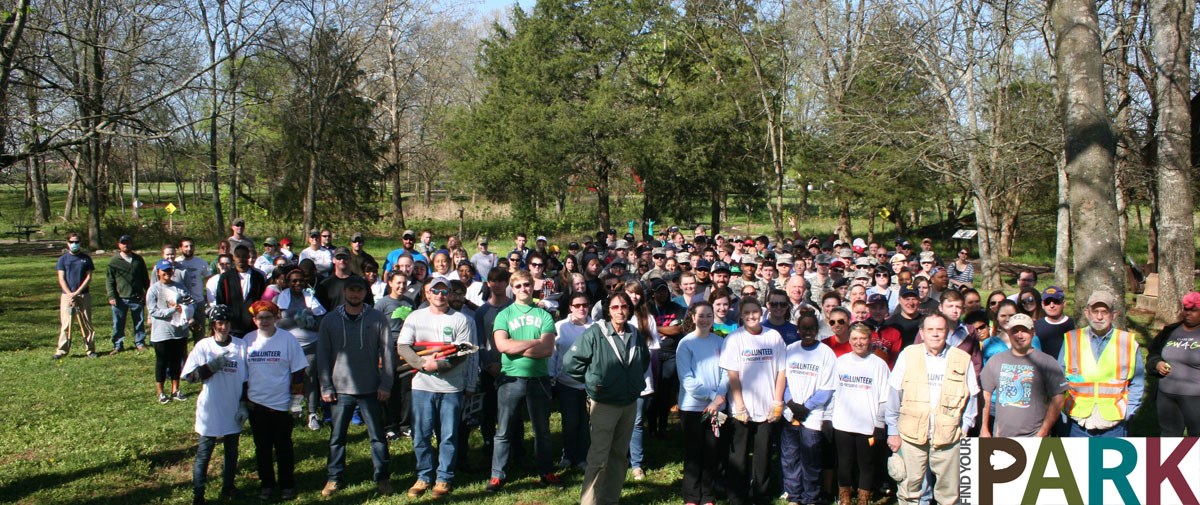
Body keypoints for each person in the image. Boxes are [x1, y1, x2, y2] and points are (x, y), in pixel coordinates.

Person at [564, 291, 651, 505]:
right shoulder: (596, 332)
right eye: (615, 307)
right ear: (608, 311)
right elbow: (570, 362)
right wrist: (594, 382)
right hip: (604, 404)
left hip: (629, 402)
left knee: (620, 455)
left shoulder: (635, 333)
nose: (620, 311)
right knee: (598, 457)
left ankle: (610, 499)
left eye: (624, 307)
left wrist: (631, 383)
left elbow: (644, 361)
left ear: (630, 310)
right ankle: (590, 502)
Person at [396, 276, 478, 499]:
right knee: (421, 434)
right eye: (436, 291)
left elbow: (462, 353)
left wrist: (439, 365)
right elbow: (403, 346)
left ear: (450, 294)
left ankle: (444, 478)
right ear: (428, 293)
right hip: (422, 386)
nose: (440, 295)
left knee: (448, 435)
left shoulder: (461, 320)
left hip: (451, 388)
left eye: (444, 292)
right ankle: (423, 476)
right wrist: (423, 364)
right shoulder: (415, 317)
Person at [885, 312, 979, 505]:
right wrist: (892, 431)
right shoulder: (908, 355)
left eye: (940, 329)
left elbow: (972, 397)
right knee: (909, 491)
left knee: (949, 495)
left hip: (949, 437)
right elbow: (894, 395)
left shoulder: (962, 358)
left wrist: (965, 428)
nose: (935, 334)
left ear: (947, 332)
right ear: (922, 332)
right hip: (911, 435)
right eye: (930, 330)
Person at [317, 277, 395, 497]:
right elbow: (322, 355)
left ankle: (382, 478)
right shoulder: (330, 320)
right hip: (340, 390)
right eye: (351, 290)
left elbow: (388, 353)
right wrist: (326, 386)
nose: (355, 295)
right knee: (337, 438)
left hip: (371, 388)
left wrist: (386, 383)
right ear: (344, 291)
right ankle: (334, 478)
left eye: (359, 291)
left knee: (378, 437)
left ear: (365, 292)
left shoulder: (377, 318)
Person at [487, 270, 562, 492]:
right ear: (512, 288)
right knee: (504, 430)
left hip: (538, 379)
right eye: (518, 286)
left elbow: (547, 349)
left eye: (527, 285)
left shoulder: (544, 316)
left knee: (542, 430)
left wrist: (515, 346)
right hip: (510, 378)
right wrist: (532, 341)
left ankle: (546, 472)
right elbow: (502, 346)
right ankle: (497, 475)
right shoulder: (504, 314)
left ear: (533, 286)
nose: (523, 289)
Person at [721, 297, 787, 505]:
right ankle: (737, 496)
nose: (751, 316)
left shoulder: (773, 336)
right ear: (741, 315)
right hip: (742, 408)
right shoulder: (734, 339)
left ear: (762, 313)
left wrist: (777, 402)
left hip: (767, 407)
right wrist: (739, 405)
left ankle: (760, 494)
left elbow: (781, 371)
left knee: (764, 454)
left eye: (755, 312)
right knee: (738, 455)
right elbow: (733, 375)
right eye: (747, 312)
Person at [182, 305, 248, 504]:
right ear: (213, 325)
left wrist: (244, 404)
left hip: (233, 406)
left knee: (232, 451)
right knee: (204, 453)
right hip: (211, 408)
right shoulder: (204, 346)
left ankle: (228, 487)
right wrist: (210, 367)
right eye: (220, 323)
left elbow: (246, 378)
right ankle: (198, 493)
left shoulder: (240, 345)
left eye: (227, 323)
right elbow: (189, 377)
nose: (224, 327)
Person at [243, 300, 308, 501]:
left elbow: (298, 371)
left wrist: (296, 401)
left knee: (284, 447)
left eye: (268, 317)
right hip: (257, 403)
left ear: (276, 318)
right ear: (254, 320)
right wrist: (244, 401)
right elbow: (242, 375)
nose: (264, 321)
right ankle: (267, 484)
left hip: (281, 403)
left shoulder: (287, 339)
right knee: (262, 448)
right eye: (260, 318)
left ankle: (287, 484)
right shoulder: (247, 340)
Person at [1059, 290, 1144, 438]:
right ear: (1087, 313)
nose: (1099, 316)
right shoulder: (1071, 339)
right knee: (1078, 462)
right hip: (1078, 422)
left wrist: (1129, 412)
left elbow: (1137, 382)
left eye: (1104, 312)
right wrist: (1061, 409)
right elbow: (1058, 379)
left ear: (1114, 315)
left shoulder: (1127, 342)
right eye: (1095, 311)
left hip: (1114, 424)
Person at [675, 301, 728, 505]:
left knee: (711, 451)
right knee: (694, 452)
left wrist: (718, 398)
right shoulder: (686, 343)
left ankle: (707, 496)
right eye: (701, 315)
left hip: (716, 408)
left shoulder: (720, 343)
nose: (705, 319)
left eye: (709, 315)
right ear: (692, 317)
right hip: (692, 408)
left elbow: (726, 372)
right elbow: (687, 379)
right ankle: (691, 496)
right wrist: (712, 396)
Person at [980, 313, 1067, 438]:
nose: (1019, 335)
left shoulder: (1047, 362)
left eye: (1024, 331)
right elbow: (985, 396)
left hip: (1034, 437)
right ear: (1008, 333)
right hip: (1000, 436)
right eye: (1015, 331)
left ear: (1033, 332)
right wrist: (984, 429)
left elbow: (1058, 399)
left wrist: (1043, 431)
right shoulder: (995, 361)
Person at [831, 323, 890, 505]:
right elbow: (833, 392)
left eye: (863, 339)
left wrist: (880, 424)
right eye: (855, 339)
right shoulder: (840, 362)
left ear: (870, 340)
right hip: (842, 422)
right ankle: (845, 497)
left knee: (866, 463)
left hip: (868, 424)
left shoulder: (878, 364)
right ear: (849, 340)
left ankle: (864, 498)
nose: (859, 342)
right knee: (844, 462)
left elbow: (885, 397)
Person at [780, 312, 835, 505]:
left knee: (811, 458)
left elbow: (827, 388)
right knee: (790, 457)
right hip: (791, 413)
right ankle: (794, 495)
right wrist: (791, 403)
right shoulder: (791, 349)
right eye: (804, 328)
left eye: (812, 328)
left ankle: (811, 496)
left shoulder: (826, 353)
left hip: (812, 414)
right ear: (798, 330)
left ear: (817, 330)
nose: (808, 332)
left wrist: (807, 407)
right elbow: (783, 380)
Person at [274, 268, 327, 431]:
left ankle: (312, 413)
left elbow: (321, 320)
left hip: (310, 345)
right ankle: (293, 407)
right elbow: (279, 323)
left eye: (300, 281)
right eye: (294, 281)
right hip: (289, 346)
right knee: (289, 378)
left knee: (310, 378)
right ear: (288, 283)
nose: (298, 283)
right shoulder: (282, 298)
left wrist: (310, 322)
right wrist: (298, 320)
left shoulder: (310, 297)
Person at [550, 292, 594, 471]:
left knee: (586, 423)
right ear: (570, 307)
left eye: (585, 305)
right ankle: (568, 455)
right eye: (577, 305)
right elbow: (553, 354)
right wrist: (551, 377)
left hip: (589, 384)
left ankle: (582, 457)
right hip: (566, 382)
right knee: (570, 422)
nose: (581, 308)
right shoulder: (560, 327)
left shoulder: (596, 326)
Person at [1146, 291, 1200, 436]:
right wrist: (1156, 364)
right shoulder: (1170, 331)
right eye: (1186, 309)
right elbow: (1153, 354)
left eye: (1194, 310)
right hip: (1167, 396)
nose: (1188, 313)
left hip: (1195, 398)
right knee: (1169, 435)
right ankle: (1172, 459)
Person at [147, 259, 195, 403]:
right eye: (164, 271)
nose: (167, 273)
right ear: (158, 272)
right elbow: (153, 310)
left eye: (169, 270)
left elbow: (190, 302)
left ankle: (175, 390)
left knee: (176, 360)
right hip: (161, 332)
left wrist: (186, 311)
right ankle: (161, 392)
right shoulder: (154, 289)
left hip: (179, 331)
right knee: (162, 361)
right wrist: (172, 310)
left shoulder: (179, 287)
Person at [54, 232, 98, 359]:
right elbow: (61, 278)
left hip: (83, 295)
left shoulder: (86, 258)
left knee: (86, 323)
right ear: (67, 243)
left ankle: (90, 350)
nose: (74, 244)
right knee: (66, 324)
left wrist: (78, 292)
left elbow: (89, 277)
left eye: (77, 242)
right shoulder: (63, 259)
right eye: (72, 242)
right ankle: (61, 350)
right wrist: (70, 294)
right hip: (67, 295)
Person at [107, 234, 150, 354]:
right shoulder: (114, 261)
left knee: (139, 322)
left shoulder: (138, 260)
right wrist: (111, 296)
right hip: (119, 298)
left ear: (131, 244)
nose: (125, 245)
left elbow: (145, 278)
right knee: (118, 323)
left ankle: (140, 342)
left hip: (137, 297)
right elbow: (109, 280)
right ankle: (117, 345)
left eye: (128, 243)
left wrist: (148, 292)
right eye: (123, 243)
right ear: (119, 245)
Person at [215, 245, 267, 338]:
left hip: (253, 325)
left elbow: (262, 299)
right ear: (234, 258)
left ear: (248, 257)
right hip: (233, 326)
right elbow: (220, 300)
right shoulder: (226, 277)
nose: (241, 259)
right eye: (238, 256)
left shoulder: (257, 277)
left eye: (244, 256)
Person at [177, 237, 211, 343]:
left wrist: (207, 297)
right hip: (182, 303)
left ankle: (199, 355)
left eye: (191, 246)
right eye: (186, 246)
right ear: (180, 248)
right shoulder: (176, 263)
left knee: (199, 333)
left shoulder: (201, 263)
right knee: (182, 334)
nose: (189, 248)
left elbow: (209, 280)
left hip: (198, 301)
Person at [1034, 286, 1074, 361]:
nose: (1052, 305)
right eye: (1047, 302)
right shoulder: (1036, 325)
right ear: (1042, 305)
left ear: (1064, 303)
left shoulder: (1073, 325)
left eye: (1056, 301)